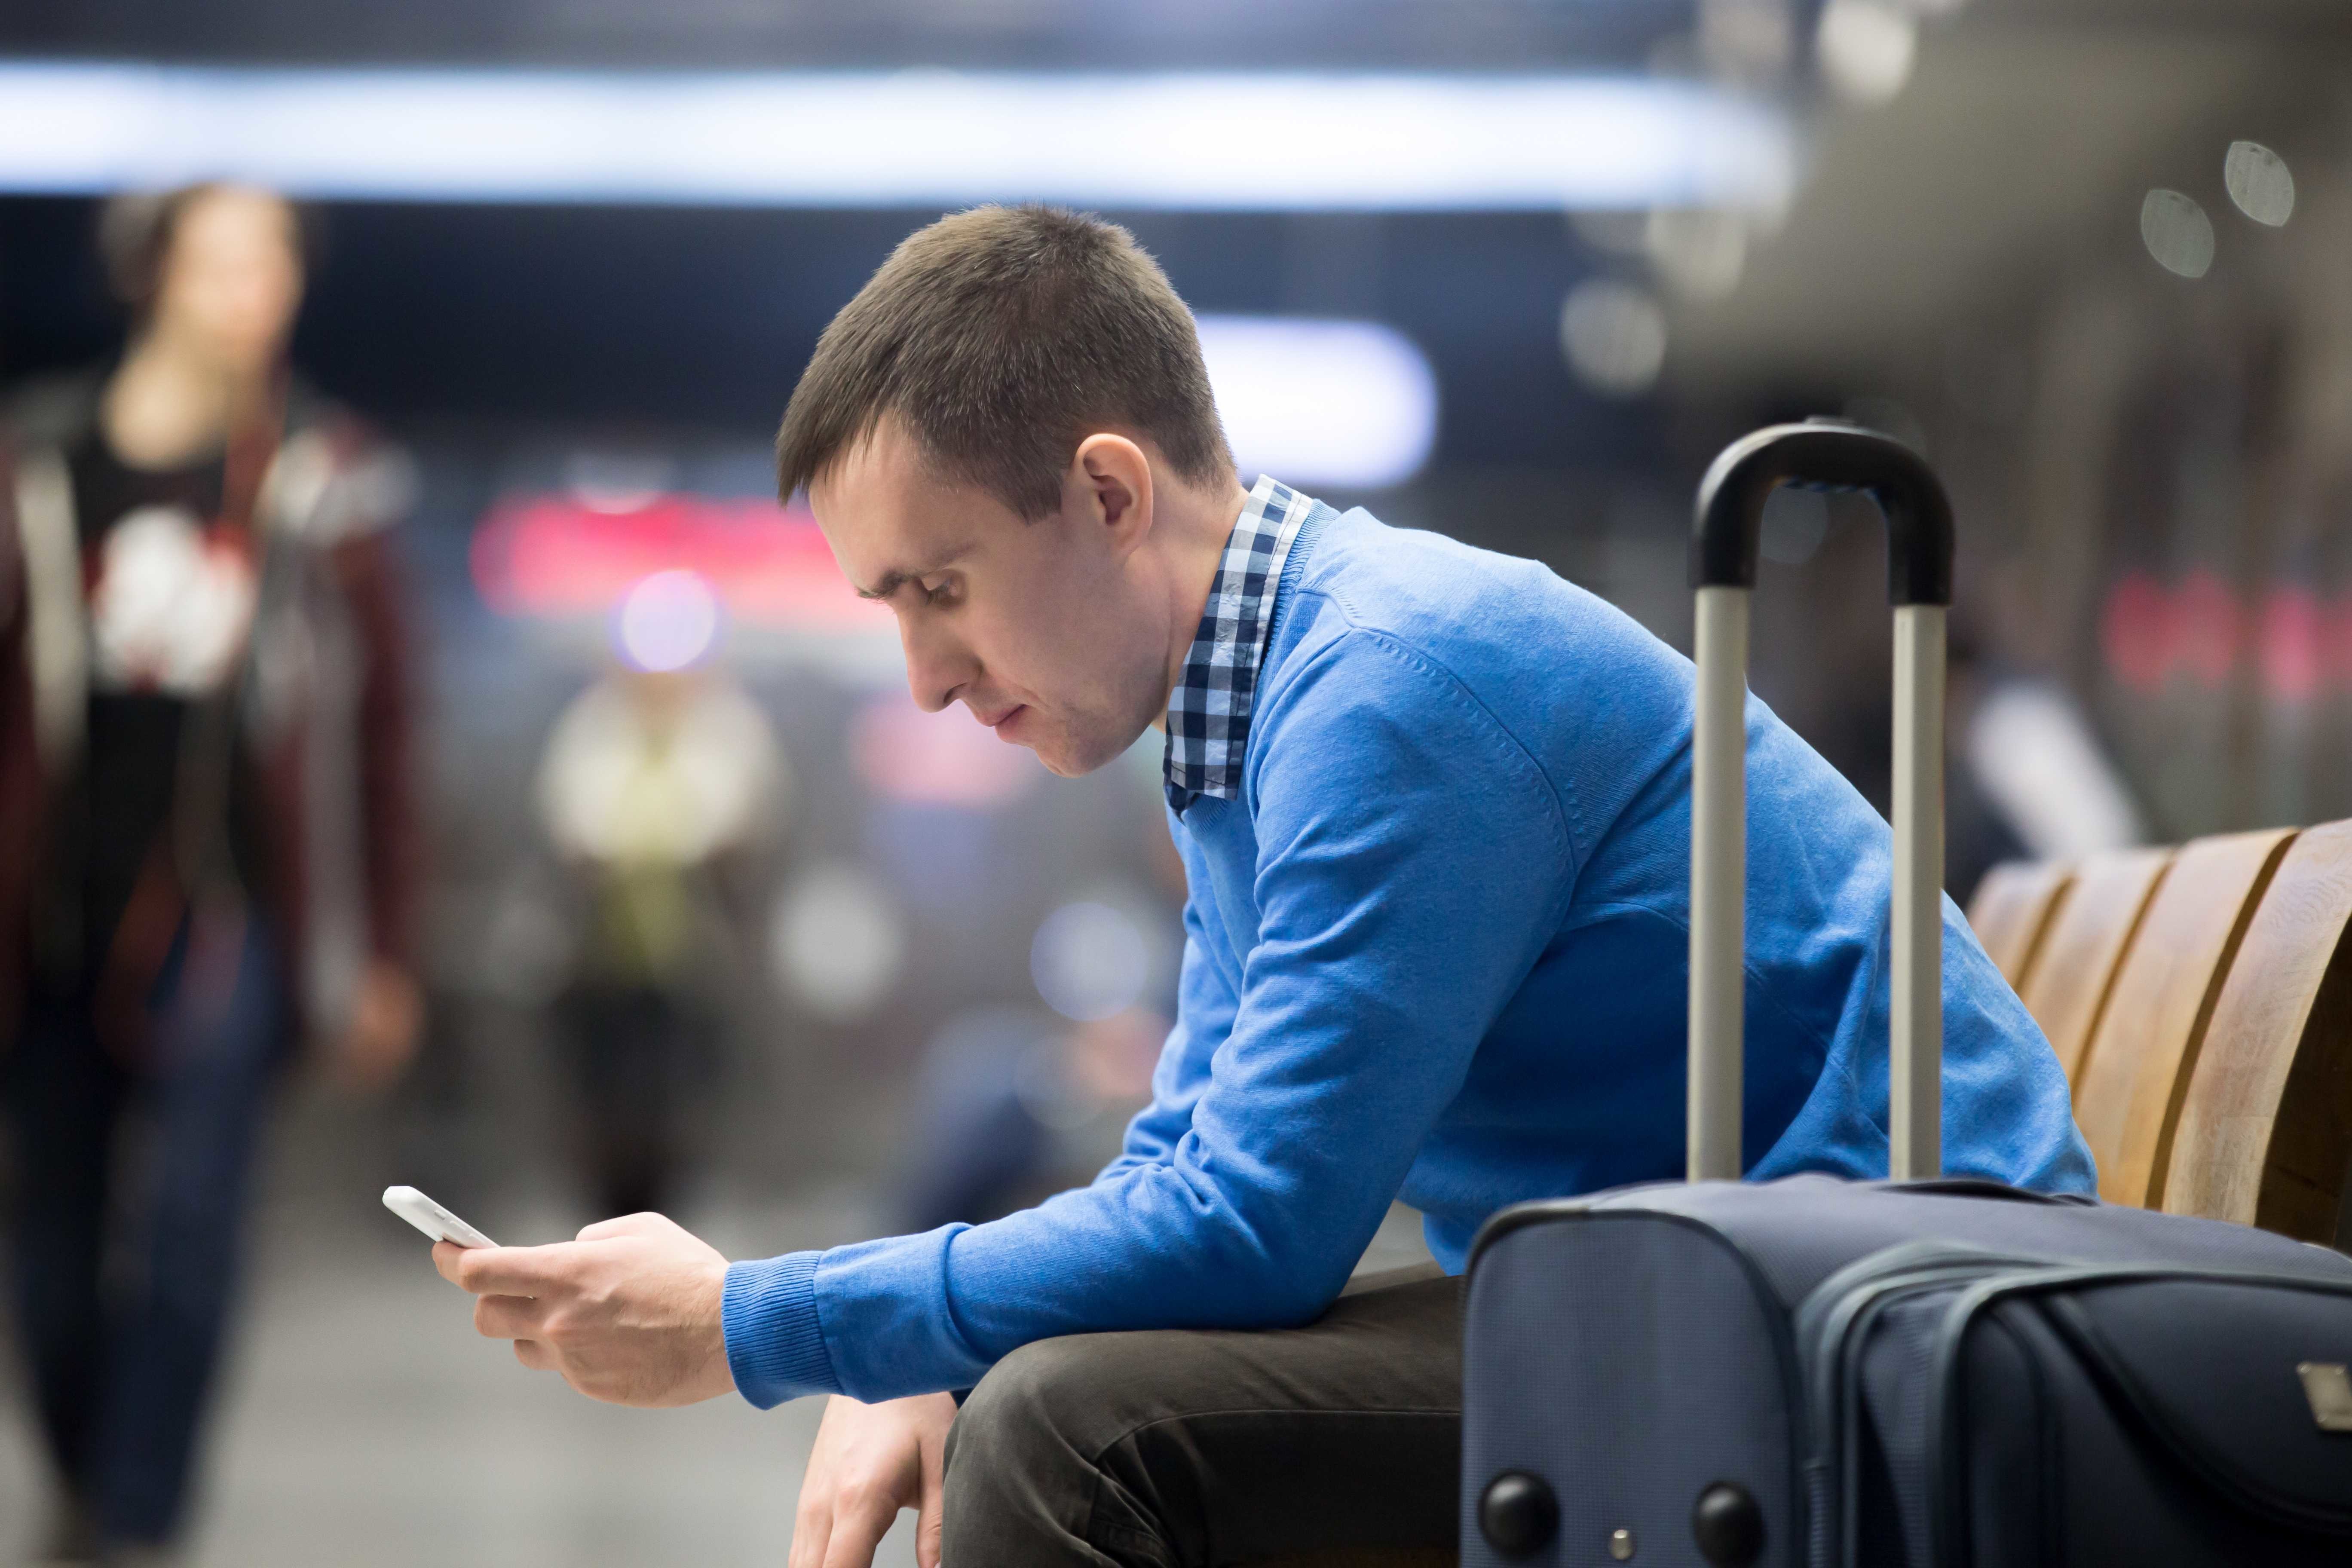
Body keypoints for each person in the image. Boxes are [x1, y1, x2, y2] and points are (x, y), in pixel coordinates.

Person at [429, 205, 2092, 1567]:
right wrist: (928, 1335)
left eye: (942, 588)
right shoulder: (1255, 700)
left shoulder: (1392, 689)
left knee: (1075, 1430)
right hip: (1710, 1277)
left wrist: (756, 1320)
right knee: (1038, 1380)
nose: (929, 676)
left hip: (1870, 1320)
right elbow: (1192, 1153)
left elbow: (1250, 1233)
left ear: (1106, 492)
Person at [0, 183, 421, 1565]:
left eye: (278, 265)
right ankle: (81, 1472)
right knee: (49, 1251)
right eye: (224, 259)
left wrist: (381, 953)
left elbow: (382, 729)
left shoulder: (325, 471)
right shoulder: (42, 466)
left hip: (234, 912)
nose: (256, 290)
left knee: (193, 1227)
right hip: (54, 913)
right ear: (151, 275)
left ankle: (136, 1520)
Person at [536, 652, 786, 1218]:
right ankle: (606, 1213)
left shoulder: (729, 734)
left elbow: (746, 835)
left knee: (680, 1103)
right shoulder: (591, 734)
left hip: (693, 964)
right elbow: (569, 834)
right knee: (602, 1102)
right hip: (598, 963)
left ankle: (667, 1219)